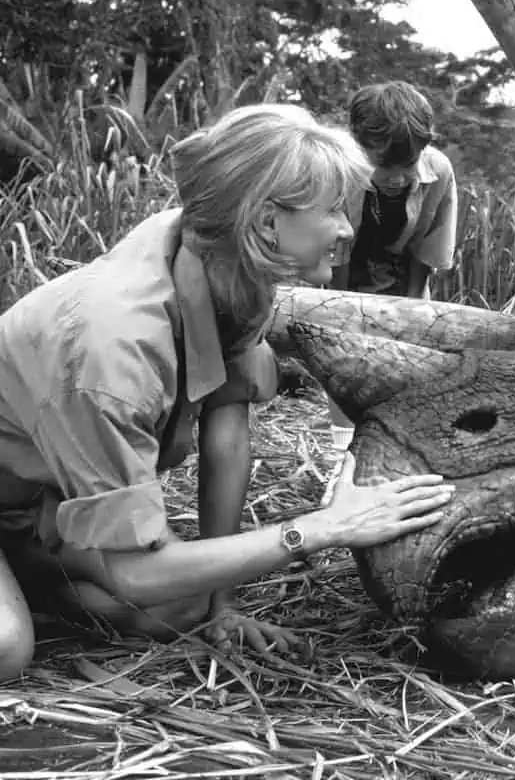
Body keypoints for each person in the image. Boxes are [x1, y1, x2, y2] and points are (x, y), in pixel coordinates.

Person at [0, 104, 456, 680]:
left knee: (185, 603)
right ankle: (36, 587)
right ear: (267, 223)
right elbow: (140, 574)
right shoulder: (112, 351)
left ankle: (36, 573)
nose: (347, 228)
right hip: (20, 498)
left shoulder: (221, 260)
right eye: (333, 209)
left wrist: (223, 608)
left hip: (42, 504)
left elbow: (226, 428)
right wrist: (325, 527)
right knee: (6, 648)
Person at [326, 81, 459, 449]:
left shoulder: (439, 171)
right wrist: (341, 308)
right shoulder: (337, 168)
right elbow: (334, 249)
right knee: (342, 362)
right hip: (346, 273)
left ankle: (398, 447)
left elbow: (428, 247)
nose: (397, 178)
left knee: (407, 362)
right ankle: (342, 450)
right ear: (359, 146)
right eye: (384, 165)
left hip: (402, 275)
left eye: (408, 165)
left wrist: (412, 309)